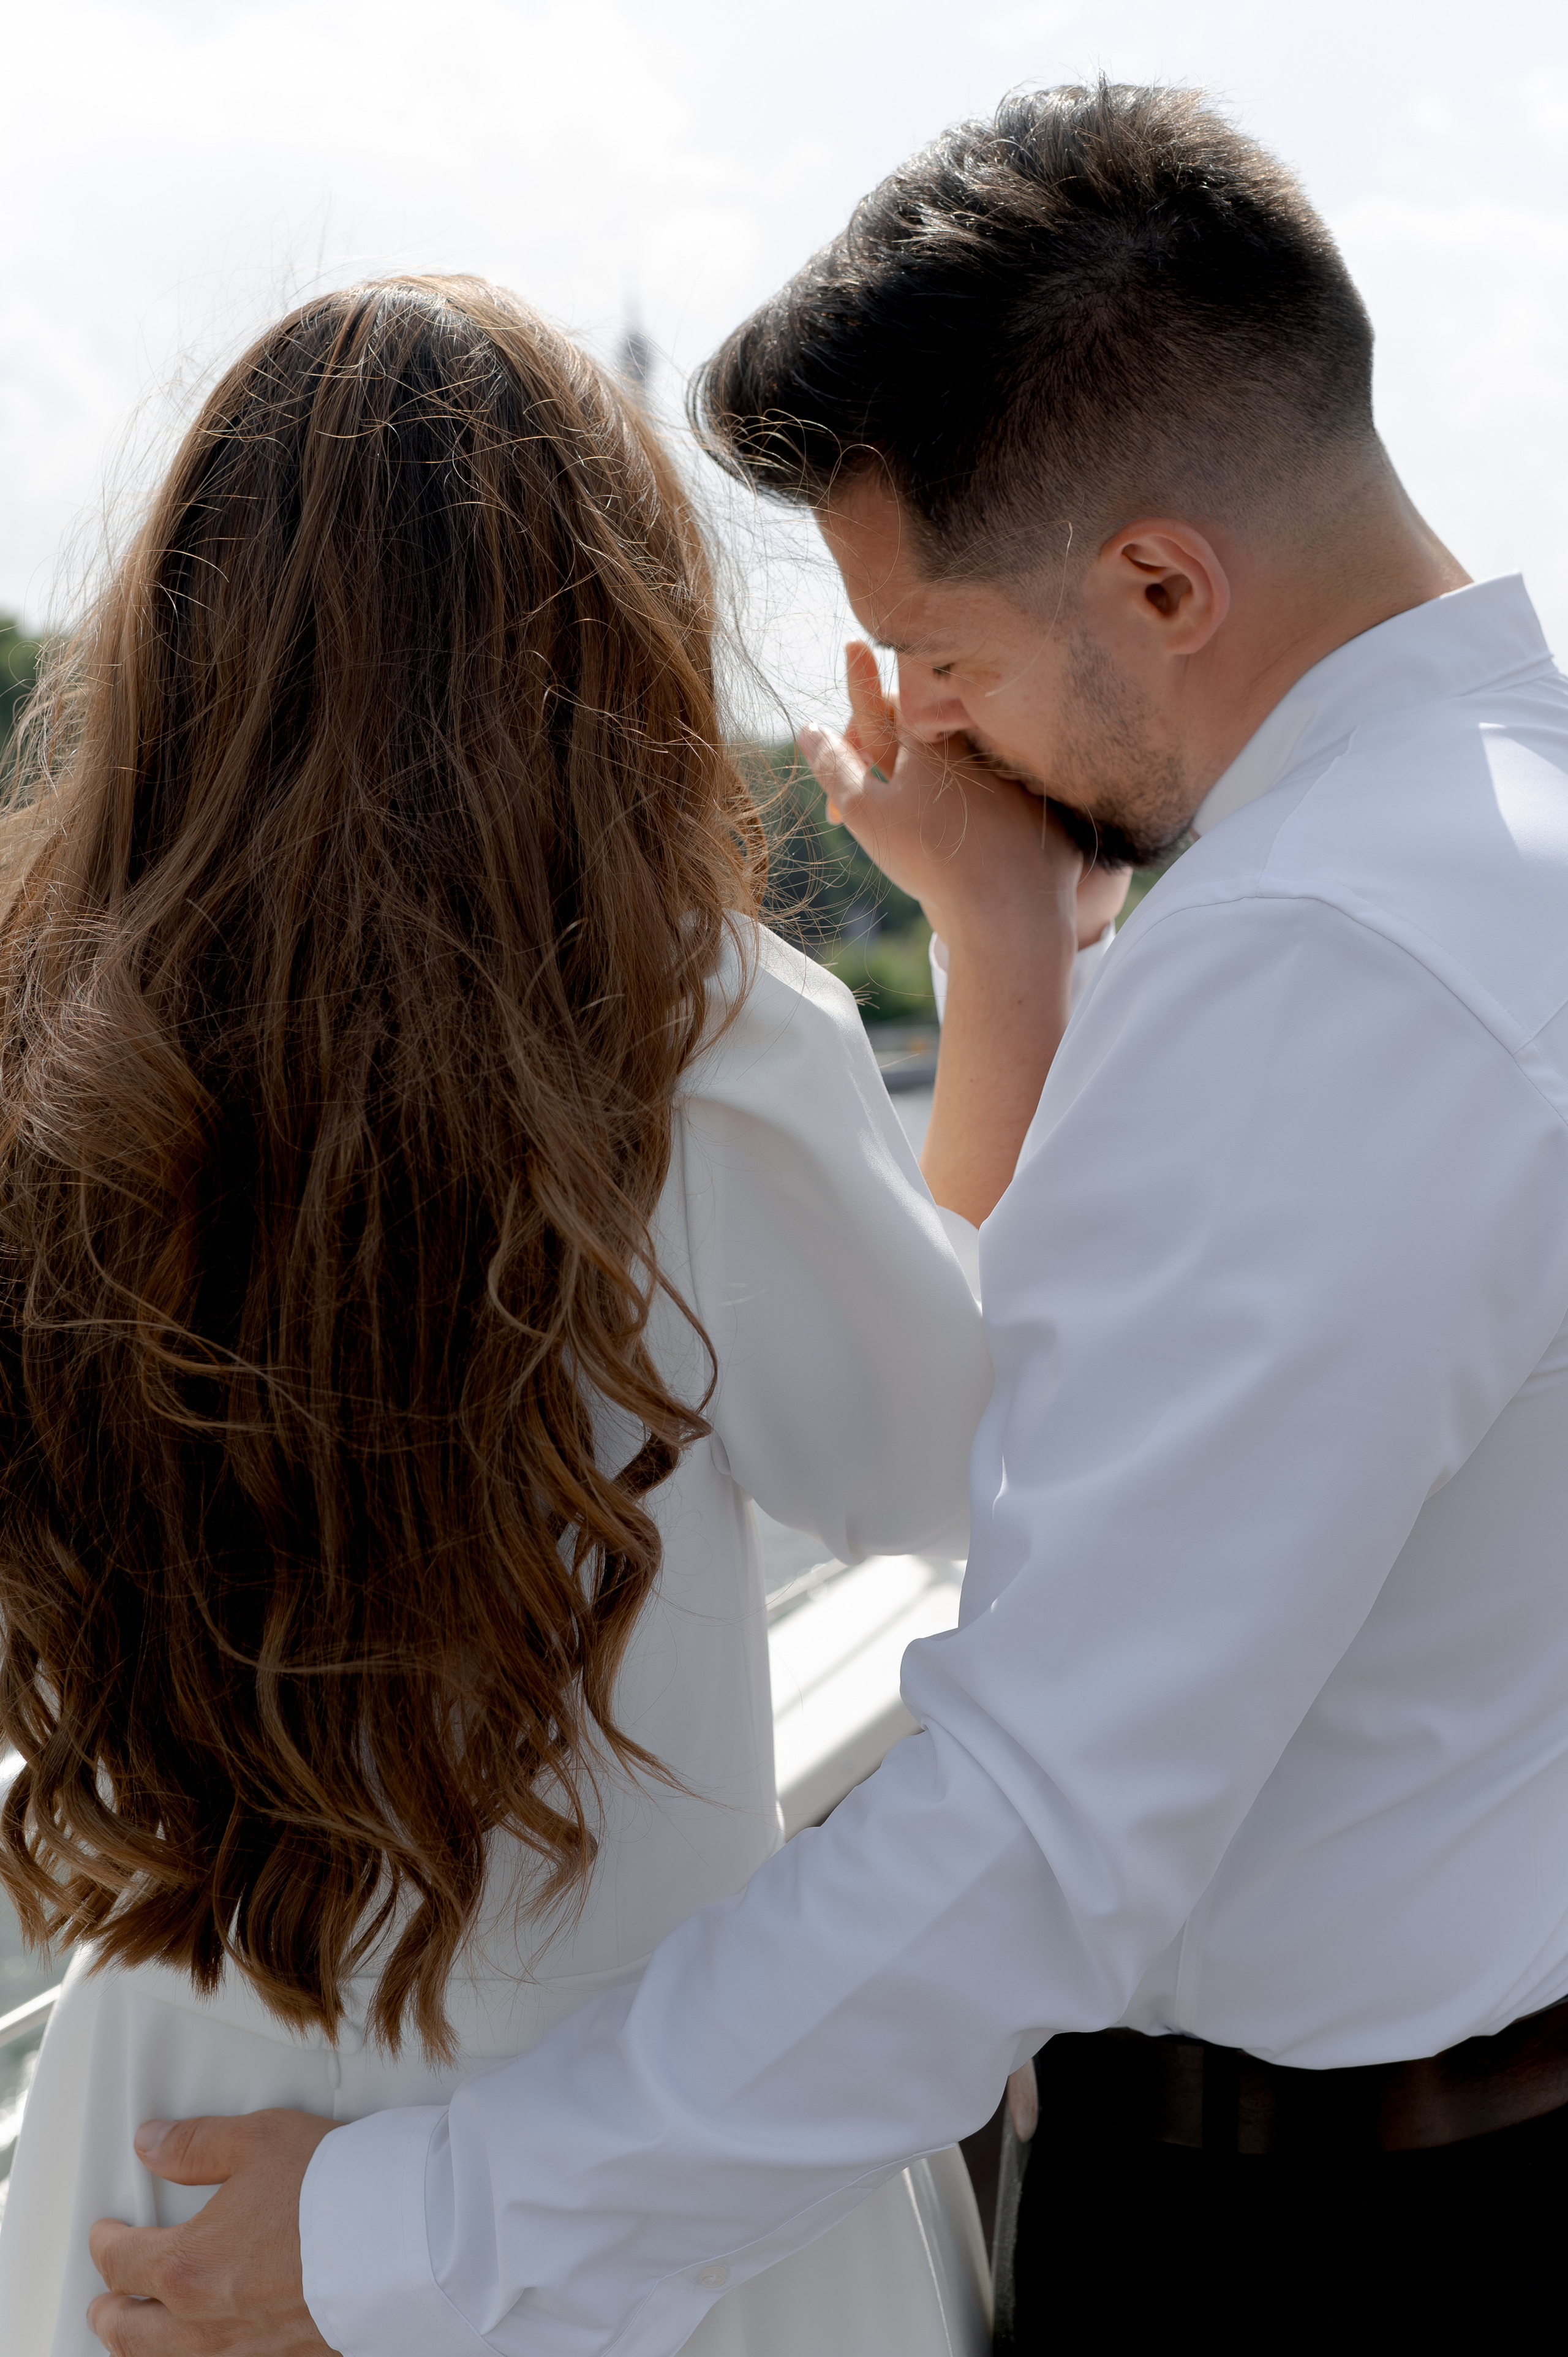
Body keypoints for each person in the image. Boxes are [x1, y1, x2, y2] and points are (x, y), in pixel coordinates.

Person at [69, 80, 1568, 2356]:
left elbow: (1041, 1831)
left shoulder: (1311, 972)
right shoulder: (1492, 854)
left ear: (1161, 585)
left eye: (937, 647)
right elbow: (971, 1445)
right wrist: (1015, 959)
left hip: (1283, 2220)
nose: (925, 724)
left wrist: (403, 2239)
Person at [0, 273, 1033, 2357]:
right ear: (604, 647)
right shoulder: (694, 1044)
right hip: (600, 2165)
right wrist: (1008, 945)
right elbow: (965, 1469)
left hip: (162, 2140)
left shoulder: (46, 1052)